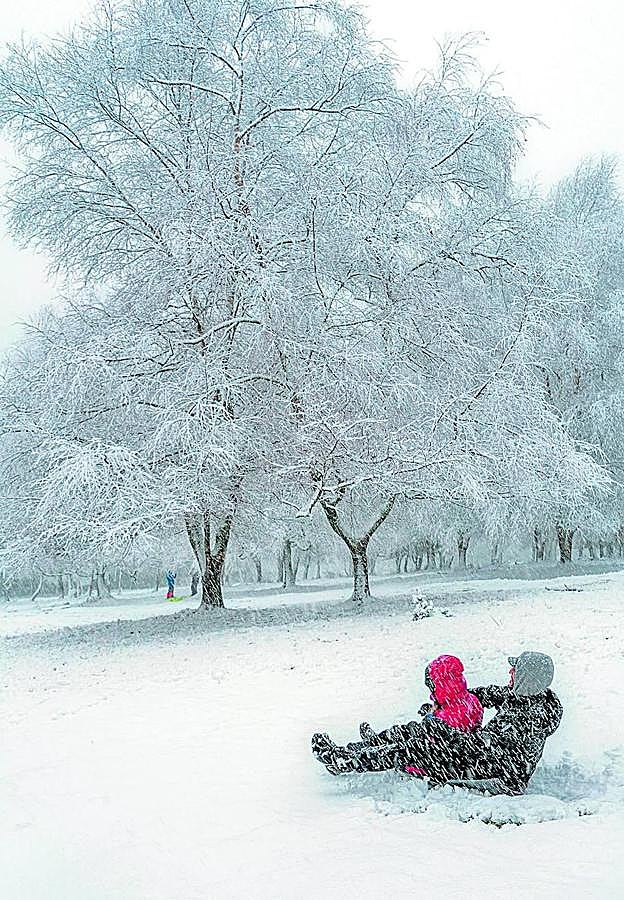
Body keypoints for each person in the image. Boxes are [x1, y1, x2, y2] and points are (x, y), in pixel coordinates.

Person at [312, 651, 563, 795]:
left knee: (413, 748)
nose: (510, 673)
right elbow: (486, 694)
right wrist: (456, 697)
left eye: (515, 670)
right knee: (413, 733)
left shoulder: (524, 718)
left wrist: (441, 729)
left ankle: (343, 762)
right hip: (485, 761)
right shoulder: (527, 698)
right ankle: (357, 749)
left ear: (525, 678)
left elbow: (479, 747)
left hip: (496, 776)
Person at [312, 654, 483, 777]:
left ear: (442, 686)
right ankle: (371, 742)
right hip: (443, 749)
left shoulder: (454, 713)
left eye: (433, 686)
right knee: (401, 731)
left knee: (397, 749)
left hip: (434, 760)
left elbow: (438, 734)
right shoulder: (468, 700)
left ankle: (344, 760)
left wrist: (431, 718)